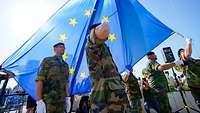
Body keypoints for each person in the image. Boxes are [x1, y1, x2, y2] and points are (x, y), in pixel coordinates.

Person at [86, 23, 130, 113]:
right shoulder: (93, 46)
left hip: (117, 93)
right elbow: (104, 28)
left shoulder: (104, 47)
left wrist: (120, 80)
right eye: (97, 28)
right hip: (105, 95)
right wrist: (100, 26)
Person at [36, 42, 69, 113]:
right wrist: (39, 100)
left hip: (61, 102)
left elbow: (66, 82)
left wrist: (67, 98)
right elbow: (39, 80)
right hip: (49, 101)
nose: (62, 48)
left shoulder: (65, 65)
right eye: (60, 47)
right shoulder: (47, 61)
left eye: (63, 47)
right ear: (55, 49)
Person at [178, 38, 200, 108]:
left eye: (184, 51)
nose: (184, 51)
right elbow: (187, 55)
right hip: (195, 87)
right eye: (182, 52)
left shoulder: (195, 60)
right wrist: (189, 42)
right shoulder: (182, 61)